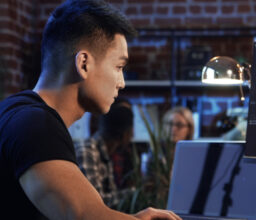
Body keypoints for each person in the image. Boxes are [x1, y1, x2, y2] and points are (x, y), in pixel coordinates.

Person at [0, 0, 180, 219]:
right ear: (84, 63)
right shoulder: (36, 125)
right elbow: (84, 215)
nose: (122, 82)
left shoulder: (15, 112)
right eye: (119, 67)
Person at [74, 97, 133, 209]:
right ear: (125, 133)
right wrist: (135, 193)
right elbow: (96, 204)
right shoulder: (87, 152)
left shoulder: (105, 153)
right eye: (131, 131)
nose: (132, 136)